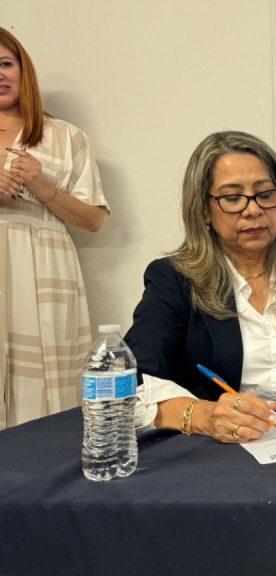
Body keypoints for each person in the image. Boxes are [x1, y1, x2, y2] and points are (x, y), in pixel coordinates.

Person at [124, 131, 276, 443]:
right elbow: (132, 382)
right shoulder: (174, 279)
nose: (253, 210)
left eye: (265, 194)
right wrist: (205, 416)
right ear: (204, 211)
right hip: (214, 450)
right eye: (232, 198)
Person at [0, 29, 109, 429]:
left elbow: (94, 219)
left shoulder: (64, 136)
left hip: (43, 270)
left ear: (23, 70)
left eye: (5, 63)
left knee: (45, 395)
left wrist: (43, 187)